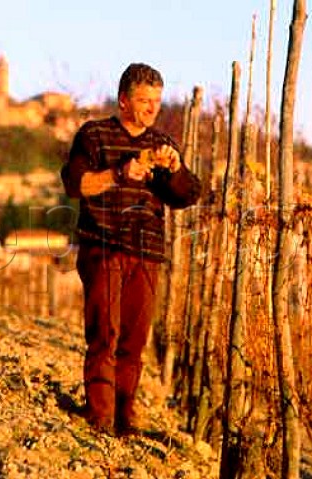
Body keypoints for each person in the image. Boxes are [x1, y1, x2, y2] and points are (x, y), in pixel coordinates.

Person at [61, 63, 201, 436]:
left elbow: (187, 196)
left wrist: (174, 170)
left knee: (134, 340)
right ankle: (100, 418)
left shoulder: (163, 145)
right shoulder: (95, 135)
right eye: (144, 100)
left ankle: (124, 419)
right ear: (124, 100)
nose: (152, 108)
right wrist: (120, 173)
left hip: (148, 251)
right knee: (104, 332)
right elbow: (76, 185)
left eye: (156, 100)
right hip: (103, 245)